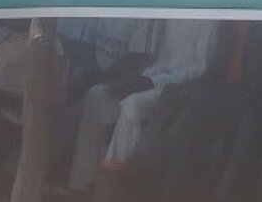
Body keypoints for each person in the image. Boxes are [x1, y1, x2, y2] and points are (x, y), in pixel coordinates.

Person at [67, 18, 218, 194]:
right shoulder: (172, 16)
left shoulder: (207, 21)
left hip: (180, 91)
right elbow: (163, 62)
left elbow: (200, 70)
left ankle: (118, 186)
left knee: (132, 105)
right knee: (97, 95)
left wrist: (153, 82)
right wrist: (142, 79)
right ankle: (82, 182)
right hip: (158, 81)